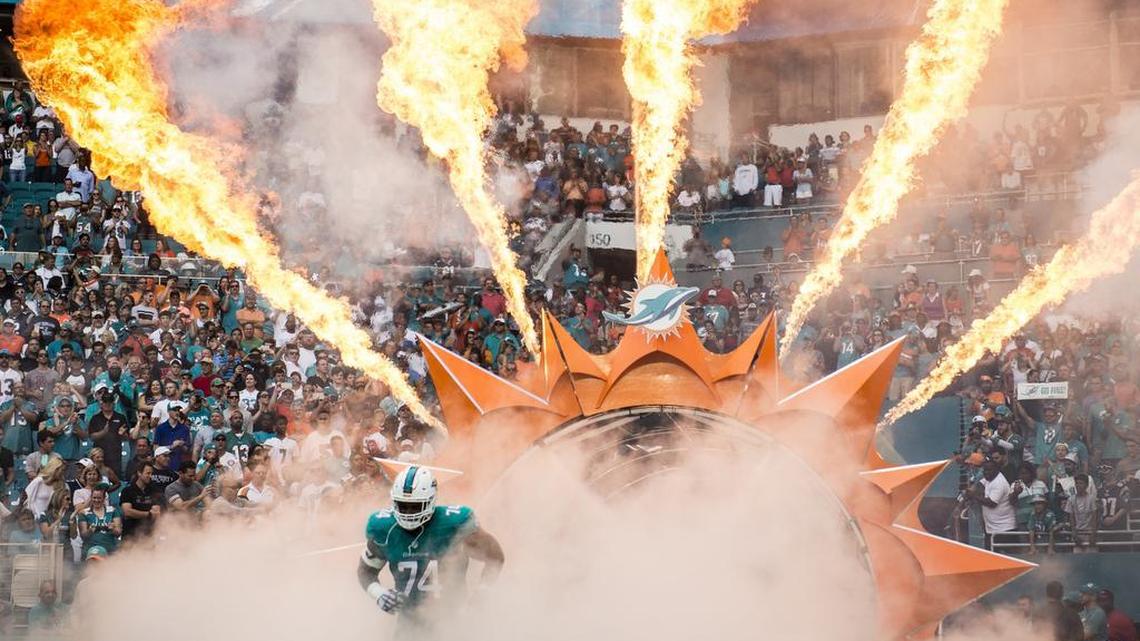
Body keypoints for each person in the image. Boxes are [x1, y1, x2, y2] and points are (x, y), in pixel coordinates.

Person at [357, 466, 504, 632]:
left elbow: (495, 557)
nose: (408, 513)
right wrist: (379, 593)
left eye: (415, 506)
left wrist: (481, 595)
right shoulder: (383, 527)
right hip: (409, 624)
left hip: (453, 620)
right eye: (402, 505)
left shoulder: (455, 524)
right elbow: (366, 571)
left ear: (431, 500)